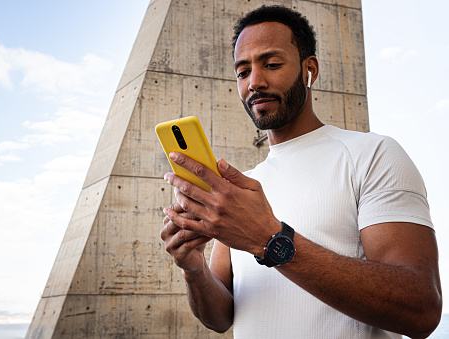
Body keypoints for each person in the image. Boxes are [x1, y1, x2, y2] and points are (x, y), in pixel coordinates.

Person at [160, 5, 442, 339]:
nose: (255, 82)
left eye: (272, 64)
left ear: (309, 70)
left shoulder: (372, 155)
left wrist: (270, 240)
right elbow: (221, 317)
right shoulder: (242, 189)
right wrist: (193, 269)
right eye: (242, 71)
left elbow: (421, 309)